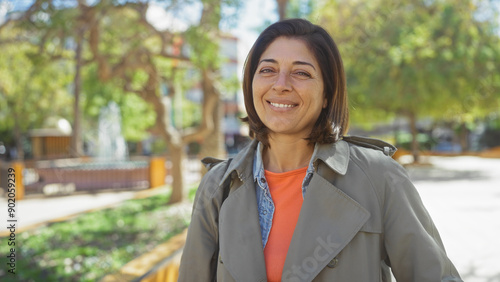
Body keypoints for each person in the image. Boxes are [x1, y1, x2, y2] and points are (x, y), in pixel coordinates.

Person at [178, 18, 462, 282]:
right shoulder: (217, 186)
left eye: (301, 72)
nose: (281, 85)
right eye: (267, 70)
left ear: (327, 93)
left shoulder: (379, 177)